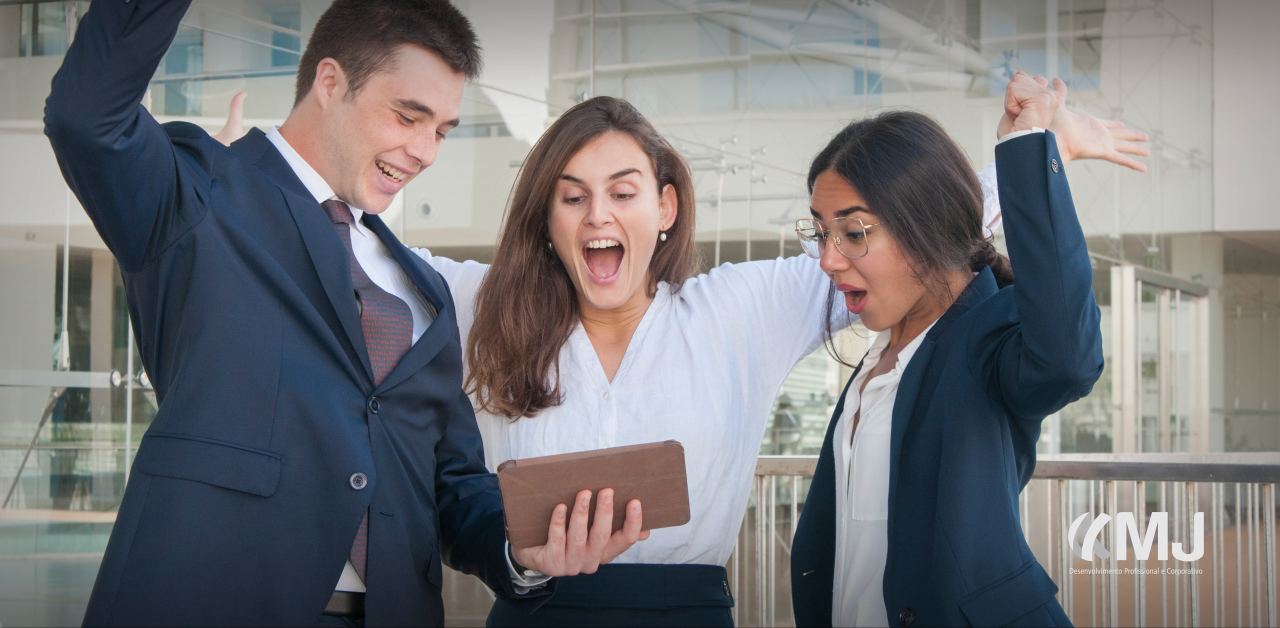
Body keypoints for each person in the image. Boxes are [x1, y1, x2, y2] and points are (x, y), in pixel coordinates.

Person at [44, 0, 640, 625]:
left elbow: (452, 485)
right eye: (409, 117)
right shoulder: (199, 198)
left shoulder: (423, 286)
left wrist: (522, 549)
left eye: (441, 130)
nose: (424, 151)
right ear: (330, 83)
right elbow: (86, 118)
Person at [789, 73, 1099, 627]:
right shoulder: (878, 360)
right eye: (820, 232)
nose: (828, 261)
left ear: (926, 226)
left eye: (854, 232)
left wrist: (1027, 147)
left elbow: (1067, 359)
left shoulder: (985, 343)